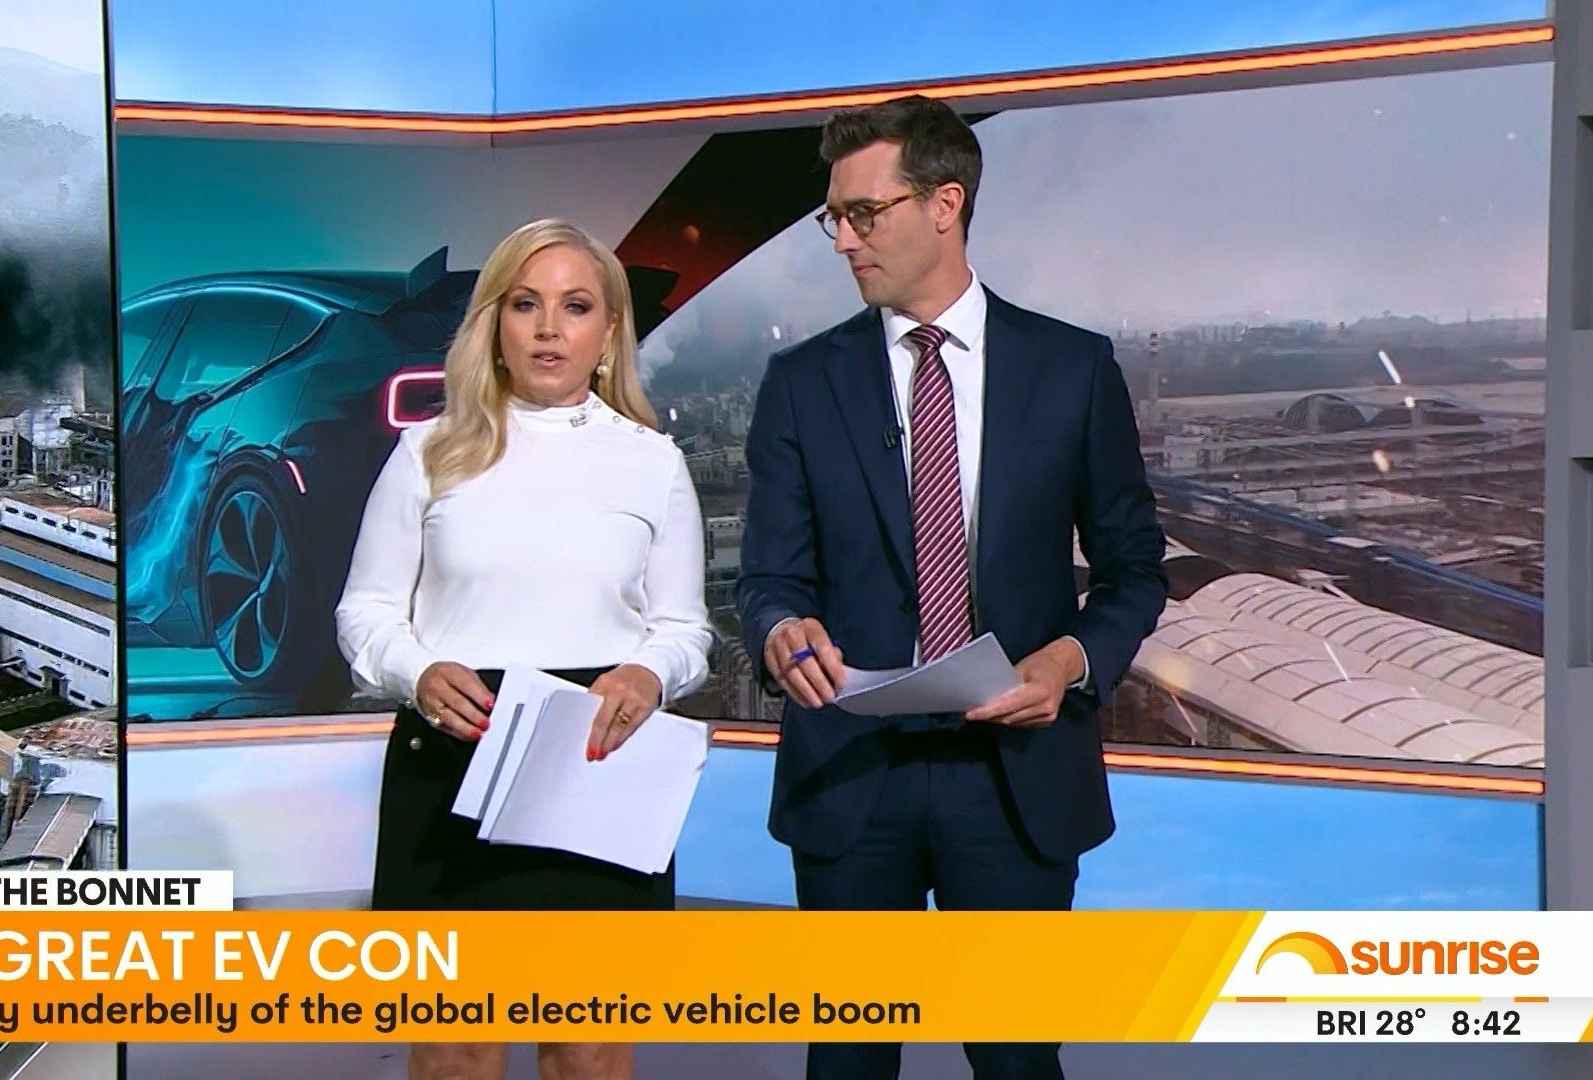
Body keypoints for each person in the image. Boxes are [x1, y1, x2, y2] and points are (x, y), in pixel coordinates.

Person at [736, 96, 1167, 1080]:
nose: (842, 241)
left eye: (863, 214)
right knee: (847, 1067)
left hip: (1014, 780)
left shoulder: (1071, 370)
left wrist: (1072, 660)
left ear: (945, 205)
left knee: (1017, 1063)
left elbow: (1136, 566)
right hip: (852, 775)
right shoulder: (800, 383)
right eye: (834, 218)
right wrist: (780, 629)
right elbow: (767, 577)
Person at [336, 218, 712, 1080]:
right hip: (454, 761)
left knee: (588, 1048)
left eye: (575, 307)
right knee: (457, 1047)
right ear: (493, 325)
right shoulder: (427, 452)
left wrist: (649, 673)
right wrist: (416, 672)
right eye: (525, 305)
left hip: (598, 769)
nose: (549, 329)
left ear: (608, 334)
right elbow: (366, 612)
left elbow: (686, 629)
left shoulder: (653, 463)